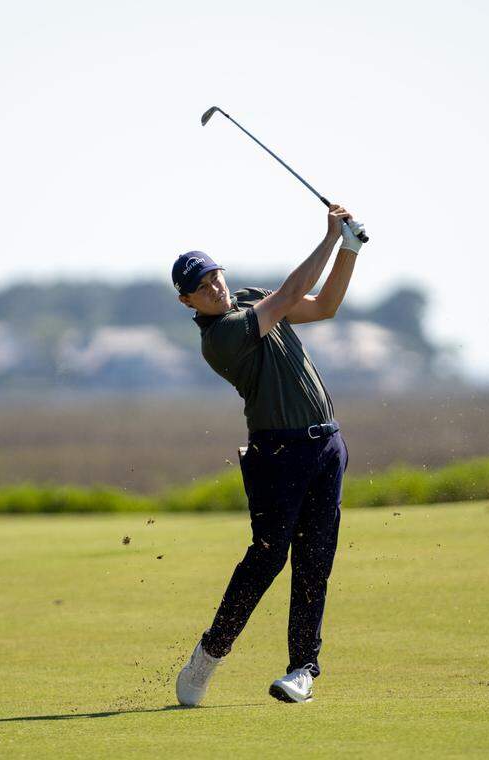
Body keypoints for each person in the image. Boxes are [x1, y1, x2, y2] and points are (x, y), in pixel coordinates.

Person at [170, 204, 366, 705]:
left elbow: (322, 307)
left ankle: (302, 670)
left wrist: (350, 249)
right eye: (203, 286)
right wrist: (328, 239)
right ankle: (209, 655)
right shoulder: (221, 337)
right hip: (277, 454)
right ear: (186, 299)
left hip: (327, 446)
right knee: (267, 558)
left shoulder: (250, 301)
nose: (215, 287)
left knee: (315, 560)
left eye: (216, 276)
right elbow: (289, 297)